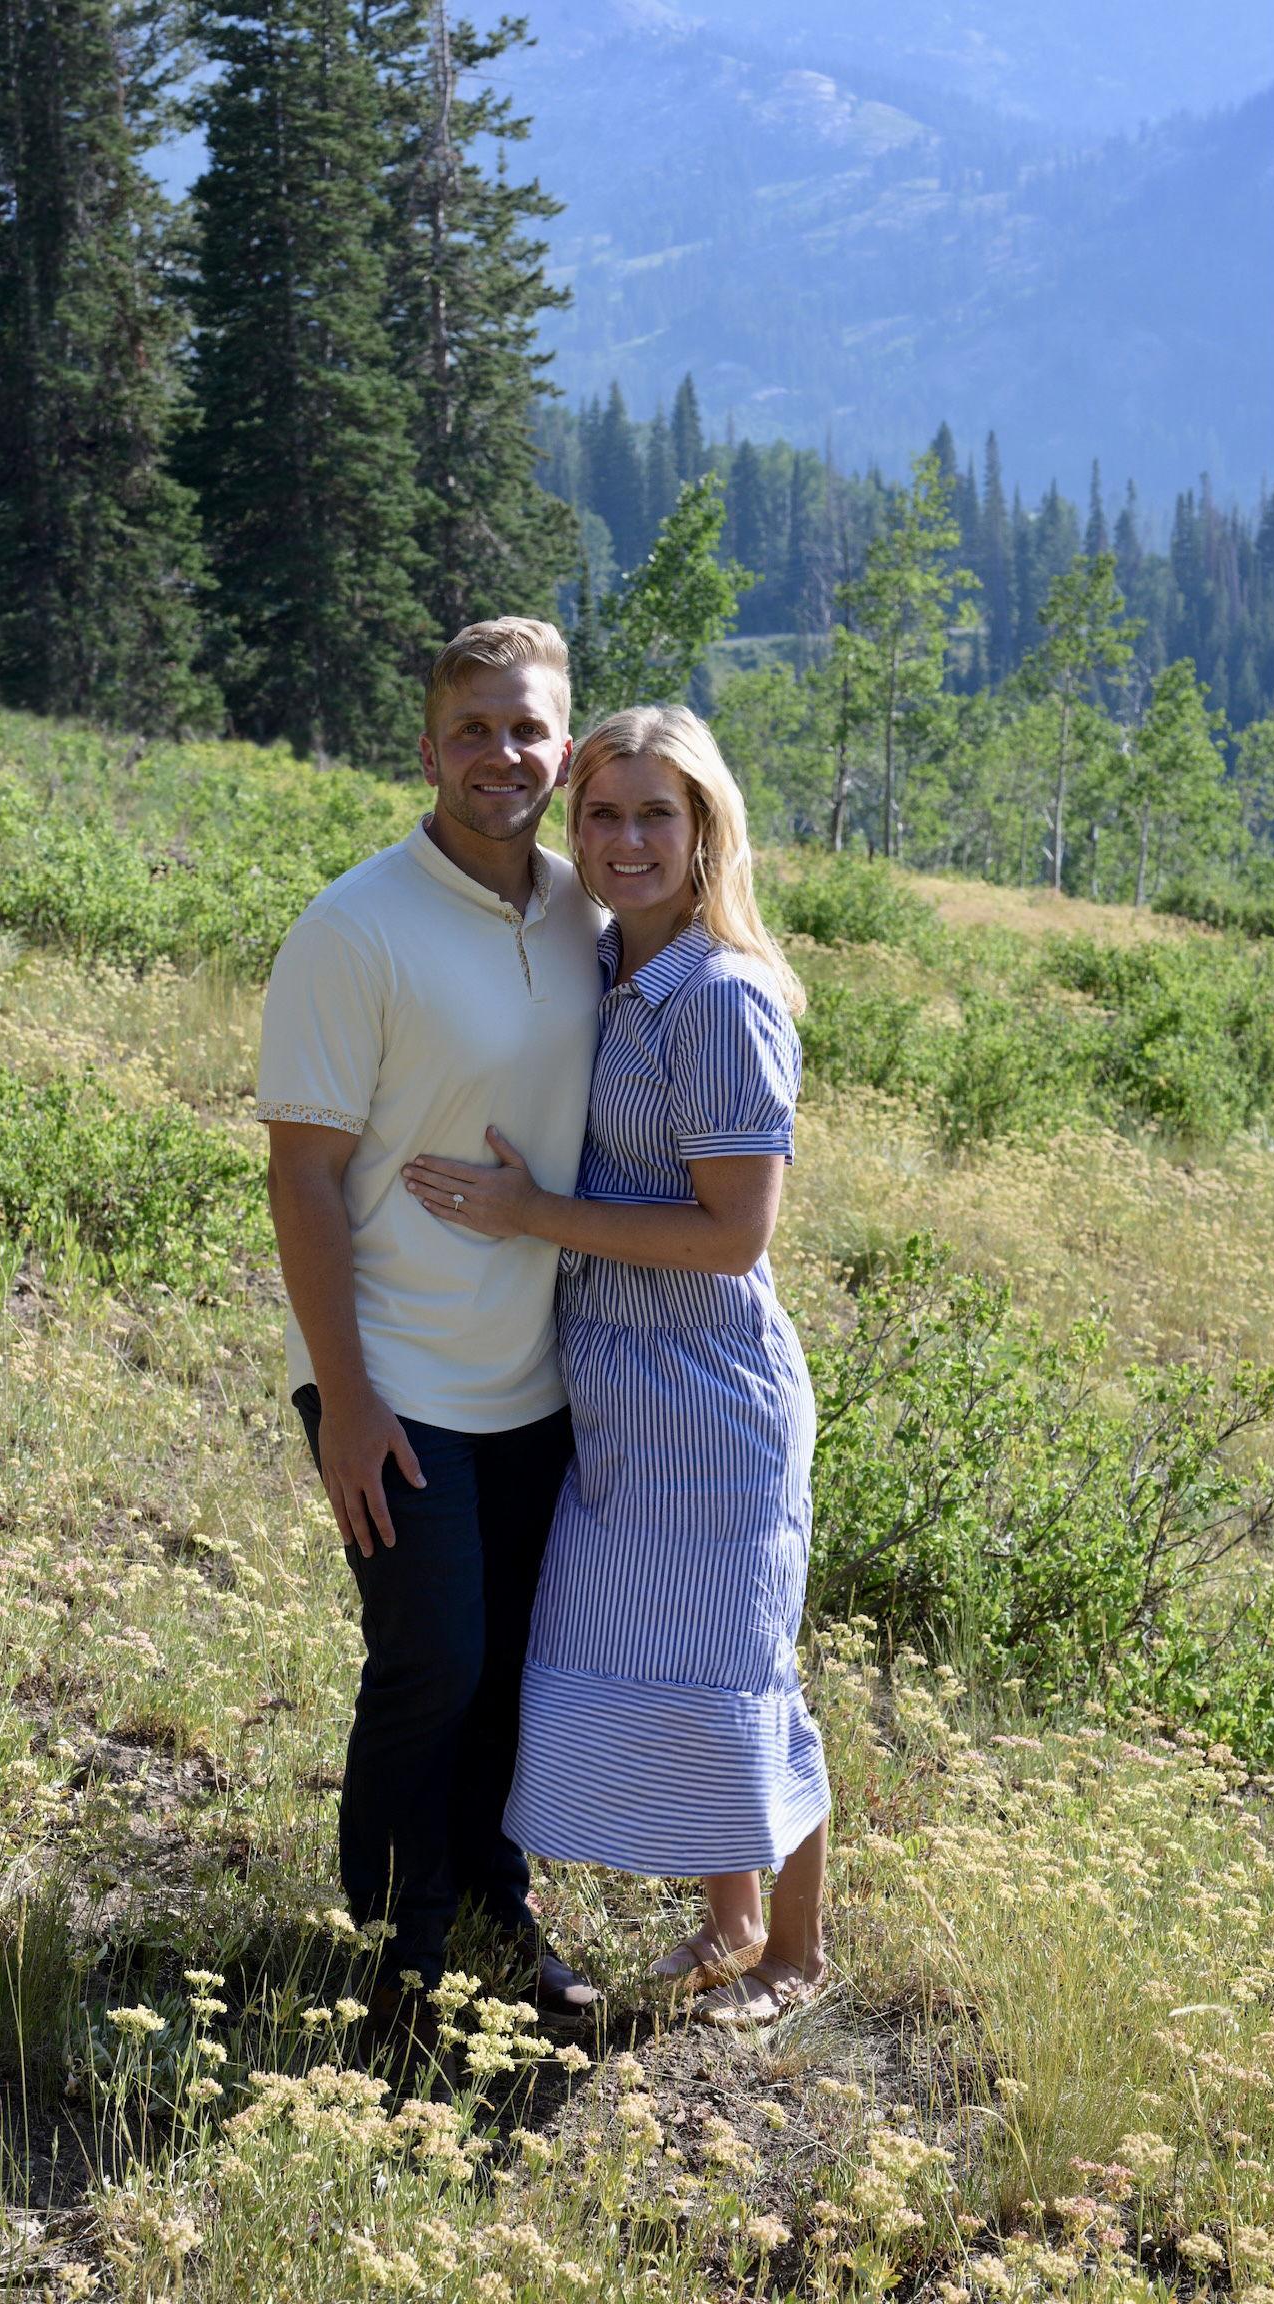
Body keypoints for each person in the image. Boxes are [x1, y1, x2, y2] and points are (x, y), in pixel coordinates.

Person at [399, 704, 831, 2026]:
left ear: (707, 833)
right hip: (619, 1389)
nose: (626, 838)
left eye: (657, 814)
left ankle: (796, 1956)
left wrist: (530, 1216)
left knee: (742, 1665)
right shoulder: (611, 968)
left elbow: (733, 1234)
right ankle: (730, 1916)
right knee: (672, 1655)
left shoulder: (718, 996)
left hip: (707, 1392)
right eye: (603, 813)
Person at [255, 618, 605, 2028]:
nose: (501, 755)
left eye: (527, 730)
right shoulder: (355, 929)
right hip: (391, 1373)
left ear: (562, 749)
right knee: (433, 1661)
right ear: (429, 745)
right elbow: (303, 1177)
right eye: (474, 729)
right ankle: (399, 1963)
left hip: (536, 1375)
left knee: (513, 1665)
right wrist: (345, 1397)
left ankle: (493, 1910)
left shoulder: (589, 912)